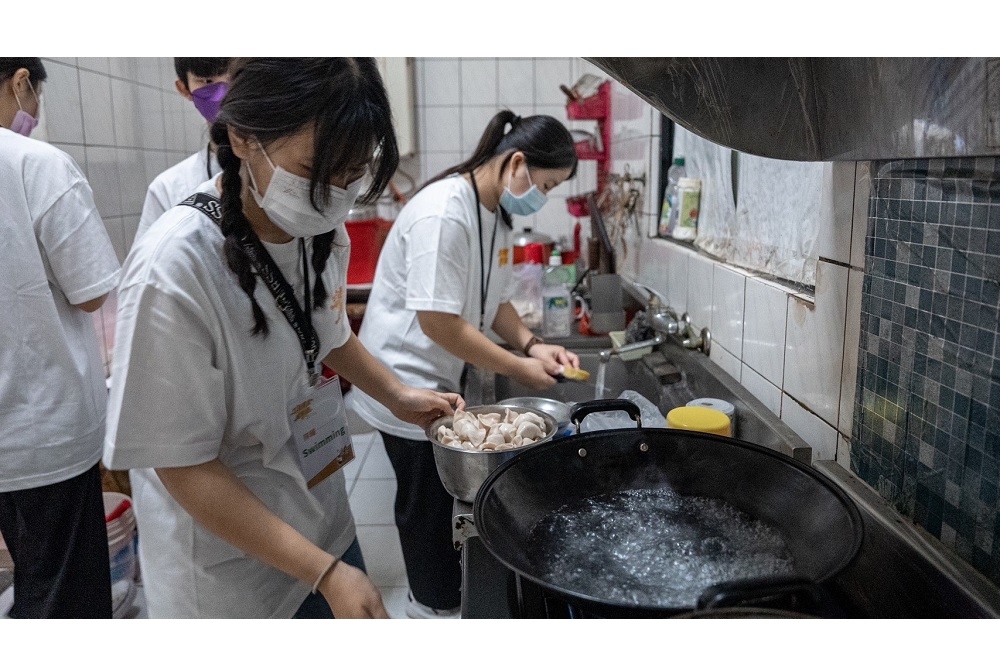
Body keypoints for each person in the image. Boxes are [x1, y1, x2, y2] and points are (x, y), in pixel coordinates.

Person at [102, 58, 463, 619]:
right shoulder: (173, 268)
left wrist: (397, 396)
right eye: (317, 169)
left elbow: (327, 333)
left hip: (321, 519)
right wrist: (324, 572)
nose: (335, 194)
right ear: (244, 137)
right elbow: (182, 467)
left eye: (352, 173)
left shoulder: (315, 227)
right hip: (236, 574)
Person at [348, 110, 580, 618]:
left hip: (435, 378)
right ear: (517, 162)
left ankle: (442, 600)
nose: (541, 195)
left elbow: (491, 303)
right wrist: (520, 370)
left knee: (435, 503)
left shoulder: (493, 213)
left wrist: (532, 344)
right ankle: (429, 610)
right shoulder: (444, 212)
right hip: (401, 379)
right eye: (544, 184)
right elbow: (439, 322)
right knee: (425, 508)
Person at [0, 58, 121, 618]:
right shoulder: (35, 164)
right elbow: (92, 291)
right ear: (21, 81)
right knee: (61, 601)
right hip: (36, 434)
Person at [135, 57, 233, 241]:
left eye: (234, 77)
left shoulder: (284, 167)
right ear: (184, 89)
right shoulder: (169, 188)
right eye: (207, 81)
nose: (222, 92)